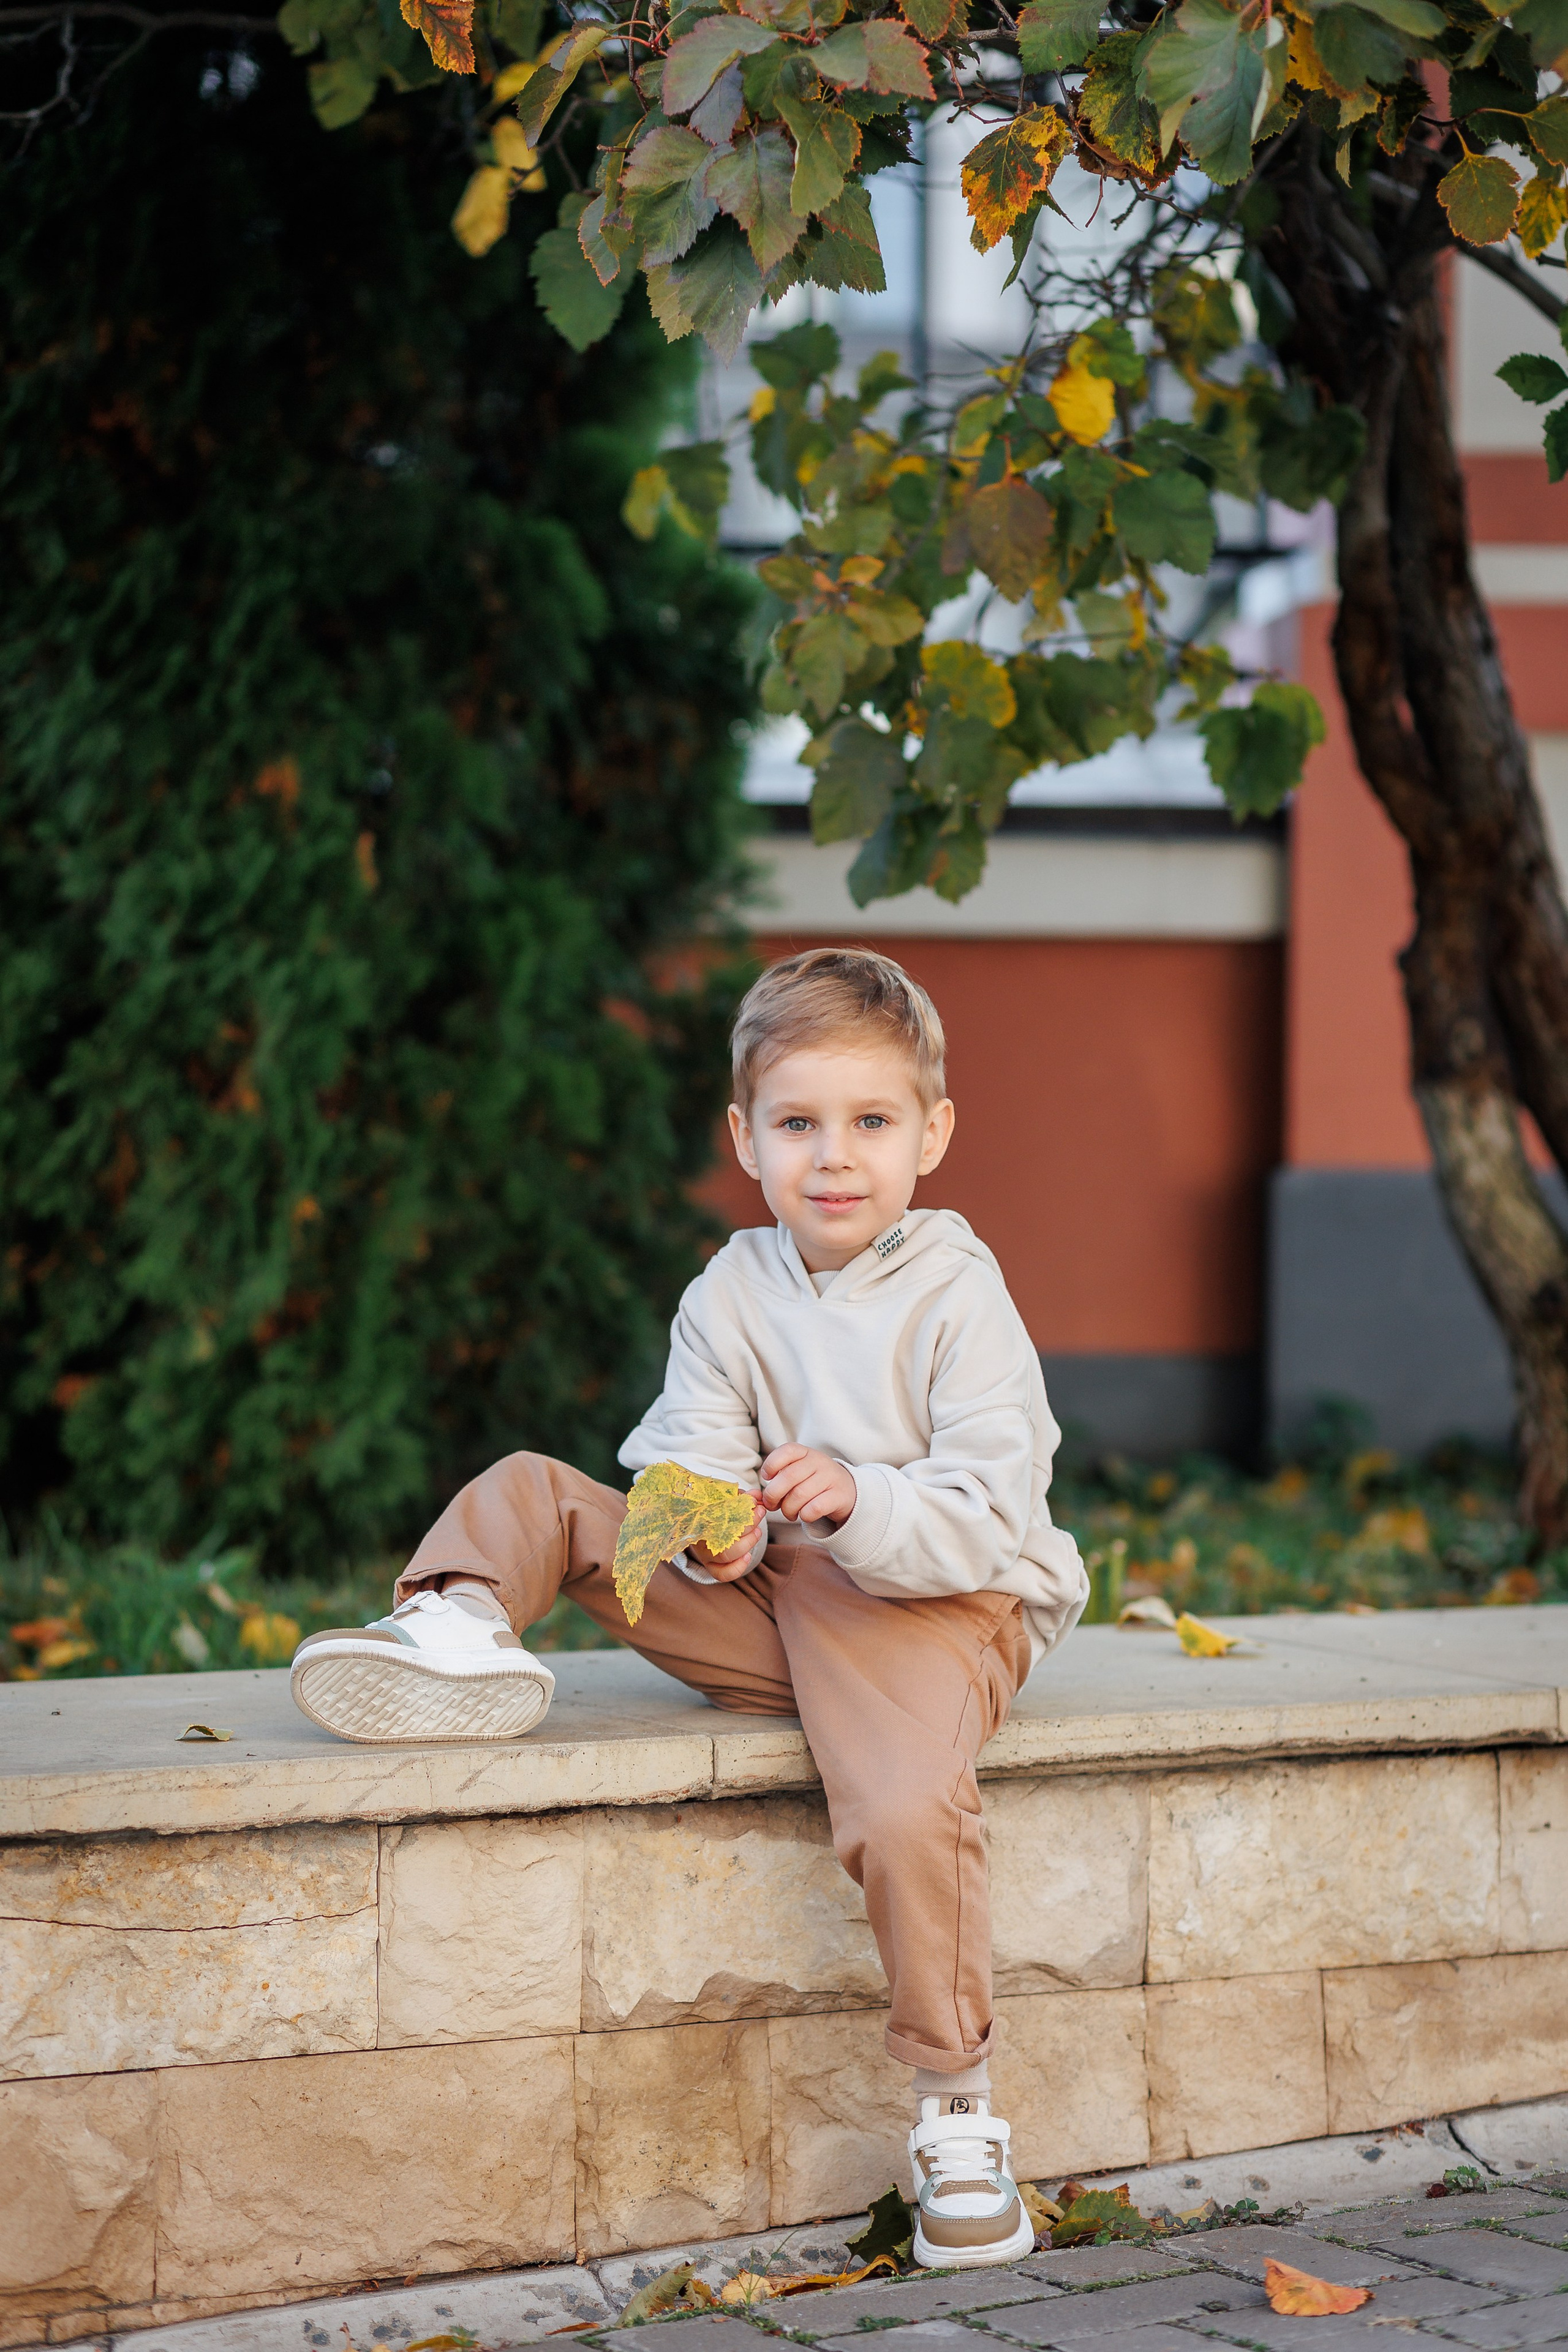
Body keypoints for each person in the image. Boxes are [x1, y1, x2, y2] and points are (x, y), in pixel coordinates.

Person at [291, 946, 1087, 2268]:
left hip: (936, 1606)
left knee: (902, 1808)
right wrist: (710, 1530)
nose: (832, 1158)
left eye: (870, 1123)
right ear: (745, 1138)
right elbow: (693, 1454)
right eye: (797, 1125)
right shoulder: (730, 1289)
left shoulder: (959, 1293)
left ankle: (955, 2107)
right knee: (541, 1490)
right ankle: (459, 1624)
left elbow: (987, 1507)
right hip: (776, 1601)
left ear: (931, 1135)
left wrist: (852, 1500)